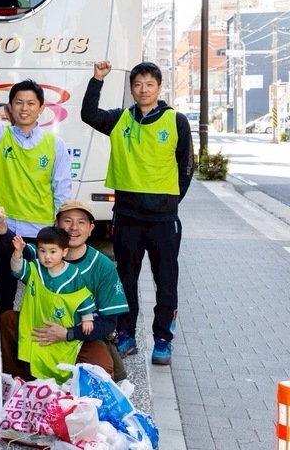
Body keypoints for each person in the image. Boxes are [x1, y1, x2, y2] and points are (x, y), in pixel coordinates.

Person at [80, 60, 195, 365]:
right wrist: (97, 80)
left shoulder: (176, 120)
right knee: (125, 279)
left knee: (165, 279)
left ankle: (162, 340)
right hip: (128, 214)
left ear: (159, 88)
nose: (143, 90)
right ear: (131, 89)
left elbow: (186, 165)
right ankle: (127, 335)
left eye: (149, 84)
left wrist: (170, 201)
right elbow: (88, 114)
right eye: (138, 84)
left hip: (163, 218)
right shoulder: (120, 119)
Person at [0, 61, 72, 312]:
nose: (24, 108)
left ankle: (36, 346)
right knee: (3, 294)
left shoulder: (54, 144)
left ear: (41, 108)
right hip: (3, 228)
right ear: (9, 107)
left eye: (30, 103)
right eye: (18, 102)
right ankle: (5, 346)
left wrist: (61, 229)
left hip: (40, 231)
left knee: (40, 295)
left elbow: (62, 188)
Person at [0, 201, 130, 381]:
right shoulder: (43, 254)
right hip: (39, 329)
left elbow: (108, 322)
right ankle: (22, 383)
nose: (74, 228)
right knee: (8, 320)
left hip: (81, 337)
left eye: (81, 222)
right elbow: (14, 244)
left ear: (91, 228)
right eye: (67, 221)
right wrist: (0, 223)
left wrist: (68, 333)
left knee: (99, 370)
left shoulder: (102, 265)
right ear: (57, 225)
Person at [7, 225, 95, 382]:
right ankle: (34, 383)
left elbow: (82, 296)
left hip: (63, 327)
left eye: (53, 252)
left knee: (60, 360)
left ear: (64, 252)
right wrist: (18, 252)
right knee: (38, 353)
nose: (47, 257)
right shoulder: (35, 269)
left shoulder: (73, 273)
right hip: (38, 325)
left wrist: (87, 318)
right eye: (42, 251)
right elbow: (17, 270)